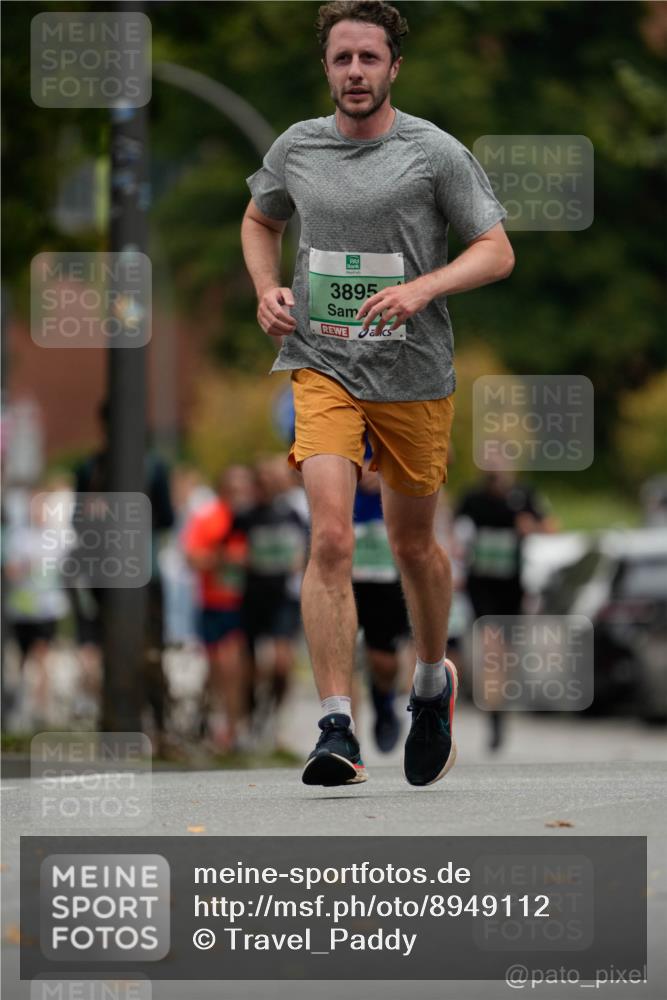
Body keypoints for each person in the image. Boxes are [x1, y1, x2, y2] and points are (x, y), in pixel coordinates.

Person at [241, 0, 514, 787]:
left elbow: (495, 251)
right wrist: (266, 289)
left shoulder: (434, 153)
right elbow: (260, 221)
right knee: (328, 538)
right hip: (321, 363)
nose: (354, 72)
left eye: (368, 58)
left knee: (411, 547)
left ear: (394, 66)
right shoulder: (297, 147)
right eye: (341, 59)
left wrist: (422, 289)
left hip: (413, 374)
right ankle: (336, 728)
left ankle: (432, 683)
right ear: (324, 68)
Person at [455, 467, 557, 750]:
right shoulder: (472, 499)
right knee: (492, 649)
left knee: (506, 658)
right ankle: (495, 719)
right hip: (481, 585)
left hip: (512, 587)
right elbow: (455, 533)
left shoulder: (525, 496)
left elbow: (552, 528)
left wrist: (531, 527)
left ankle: (499, 710)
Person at [235, 456, 308, 745]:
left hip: (283, 598)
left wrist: (300, 561)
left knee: (281, 662)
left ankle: (276, 714)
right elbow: (227, 547)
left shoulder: (292, 514)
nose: (267, 485)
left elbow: (309, 543)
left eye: (272, 479)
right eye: (261, 480)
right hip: (252, 596)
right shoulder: (244, 516)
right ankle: (251, 714)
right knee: (250, 666)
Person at [182, 466, 252, 751]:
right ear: (223, 490)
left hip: (244, 606)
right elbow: (190, 558)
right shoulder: (208, 518)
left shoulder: (254, 518)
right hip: (212, 603)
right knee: (215, 669)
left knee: (233, 665)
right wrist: (219, 560)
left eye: (244, 489)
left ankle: (235, 729)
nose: (240, 495)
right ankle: (215, 721)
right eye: (234, 489)